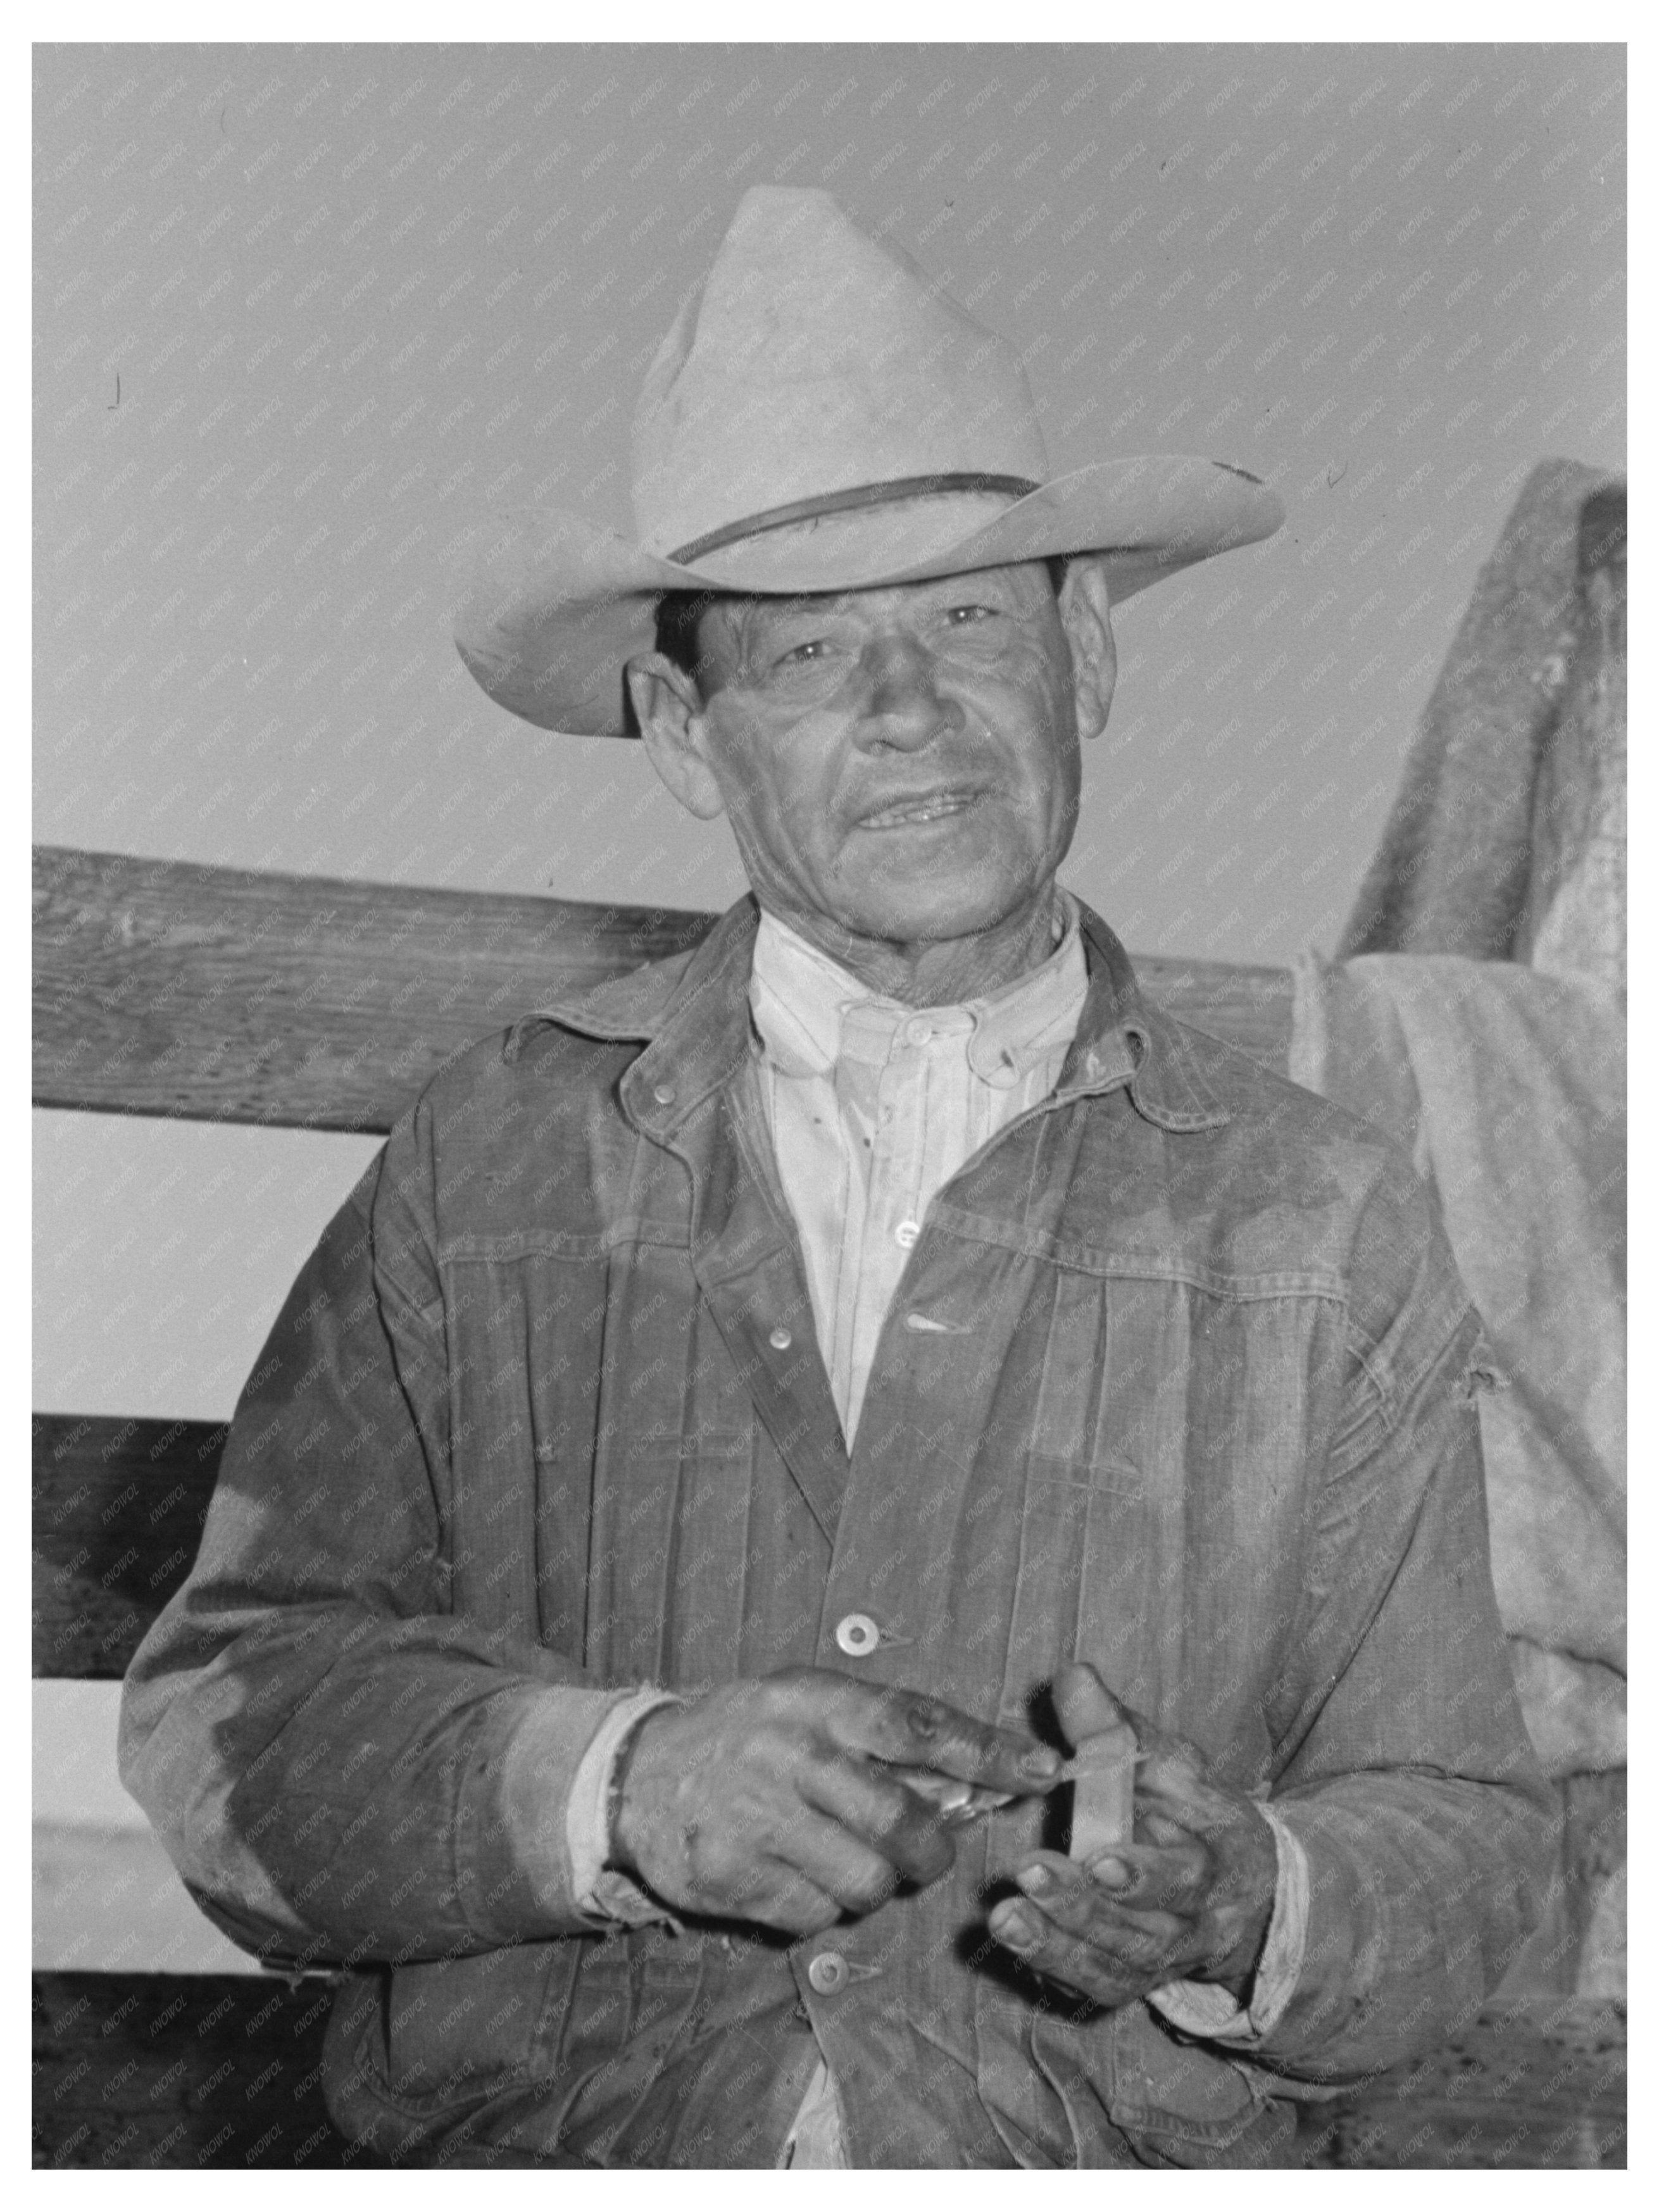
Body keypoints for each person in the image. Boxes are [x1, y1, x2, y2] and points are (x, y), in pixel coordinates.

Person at [120, 187, 1553, 2170]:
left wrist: (1247, 1903)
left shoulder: (1324, 1213)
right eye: (808, 656)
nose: (907, 711)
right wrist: (618, 1788)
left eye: (967, 620)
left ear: (1087, 655)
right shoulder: (496, 1157)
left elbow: (1474, 1843)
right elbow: (236, 1709)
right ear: (688, 738)